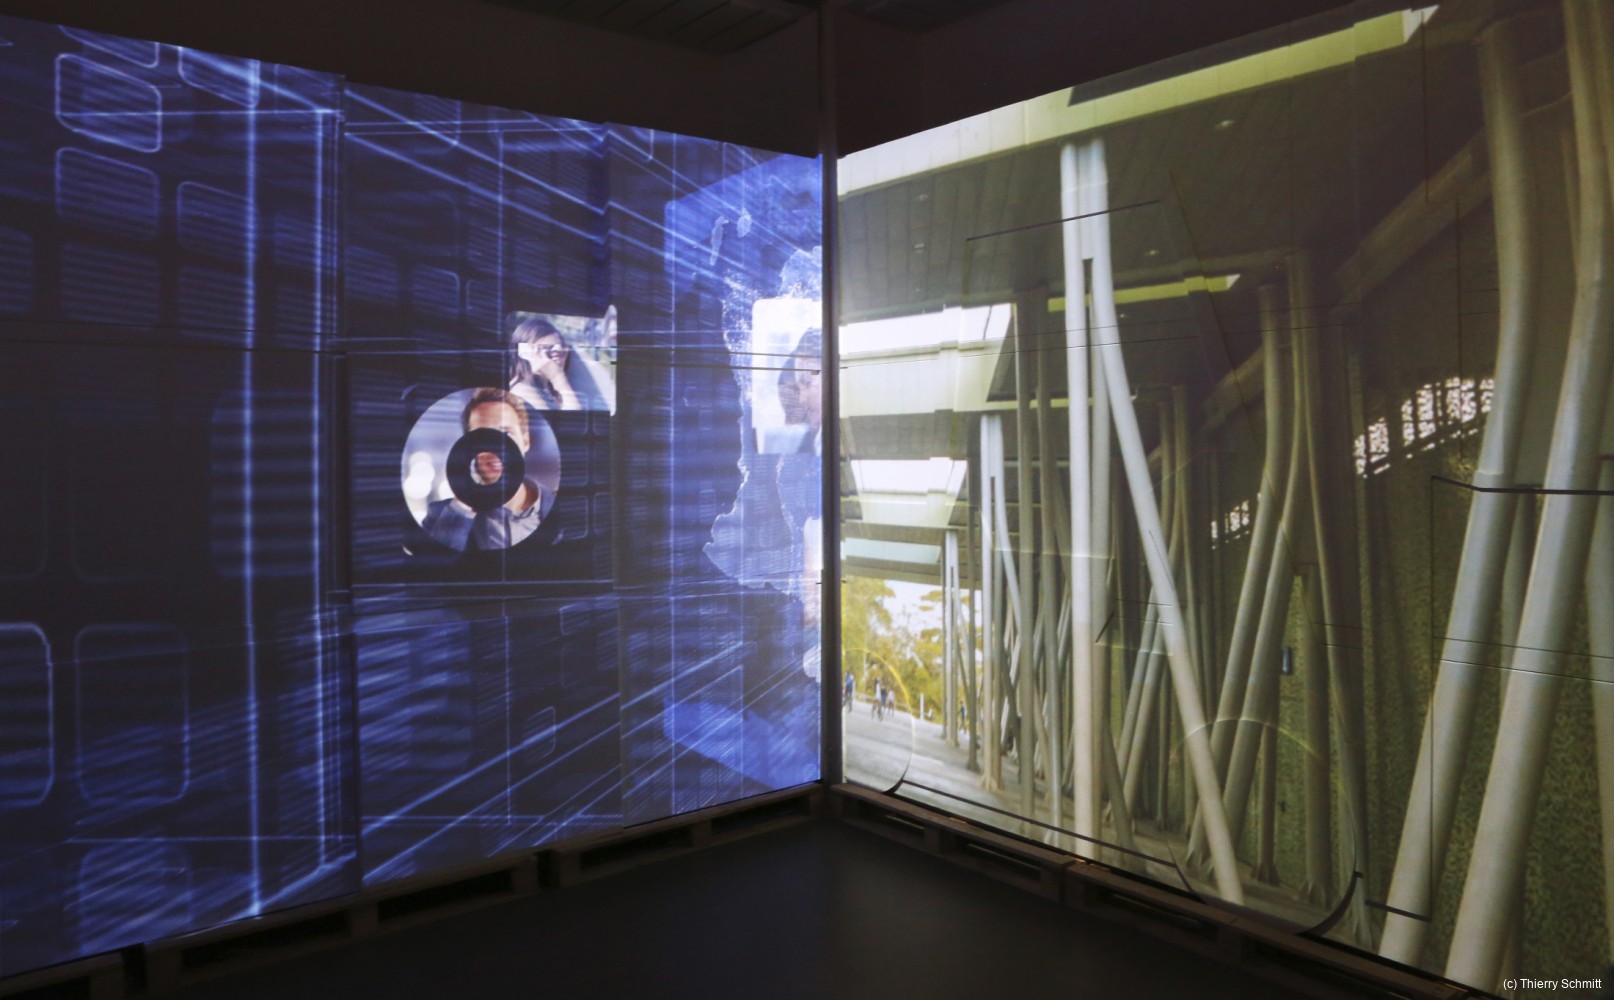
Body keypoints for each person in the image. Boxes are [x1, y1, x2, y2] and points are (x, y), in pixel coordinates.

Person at [421, 388, 545, 551]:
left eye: (506, 434)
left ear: (525, 441)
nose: (495, 448)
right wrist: (462, 506)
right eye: (482, 436)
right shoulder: (441, 516)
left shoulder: (561, 505)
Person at [508, 315, 614, 412]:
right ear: (524, 353)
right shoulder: (524, 393)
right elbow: (572, 422)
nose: (559, 356)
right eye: (547, 348)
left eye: (562, 348)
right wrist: (558, 378)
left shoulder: (546, 387)